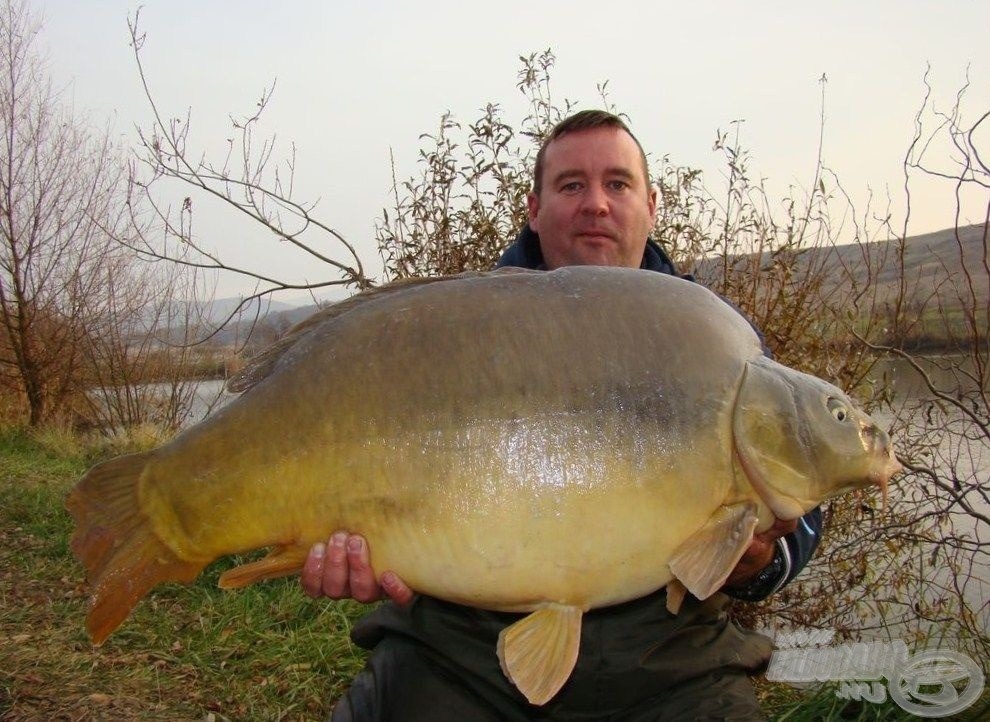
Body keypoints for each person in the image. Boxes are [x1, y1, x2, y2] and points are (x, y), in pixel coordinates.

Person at [302, 110, 823, 721]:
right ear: (534, 208)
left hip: (673, 662)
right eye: (572, 185)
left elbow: (803, 517)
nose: (596, 204)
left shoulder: (713, 340)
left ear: (652, 206)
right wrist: (344, 546)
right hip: (460, 650)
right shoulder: (455, 331)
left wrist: (753, 561)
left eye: (618, 184)